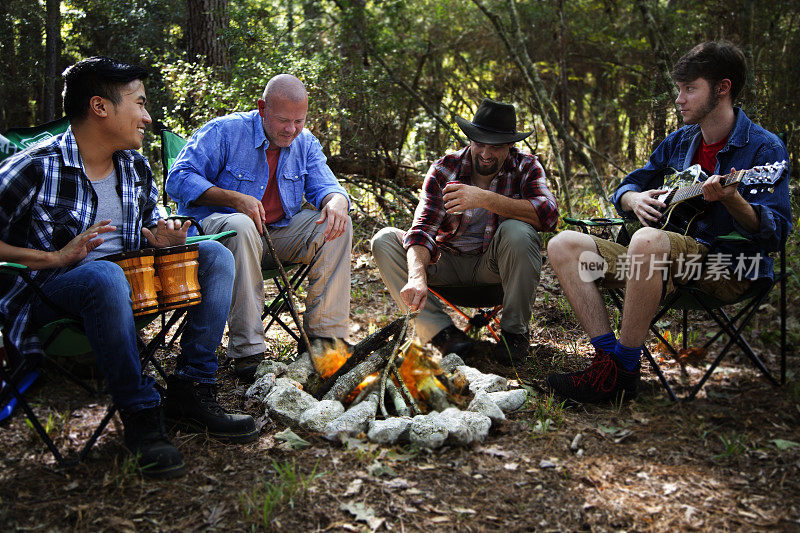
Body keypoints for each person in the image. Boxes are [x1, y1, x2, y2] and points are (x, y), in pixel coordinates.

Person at [0, 57, 257, 479]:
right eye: (139, 103)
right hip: (52, 294)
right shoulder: (35, 166)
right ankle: (140, 413)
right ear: (101, 107)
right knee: (103, 275)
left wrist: (166, 238)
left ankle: (192, 388)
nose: (147, 116)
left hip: (135, 286)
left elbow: (152, 226)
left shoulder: (135, 167)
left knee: (214, 256)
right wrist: (54, 258)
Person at [545, 41, 792, 403]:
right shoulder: (680, 141)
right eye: (679, 89)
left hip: (725, 268)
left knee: (645, 241)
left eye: (690, 89)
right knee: (563, 244)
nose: (679, 99)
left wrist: (733, 198)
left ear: (722, 89)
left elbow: (776, 234)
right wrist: (632, 198)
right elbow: (630, 184)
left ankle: (623, 371)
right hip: (654, 267)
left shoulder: (764, 150)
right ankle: (606, 365)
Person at [166, 74, 352, 382]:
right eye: (282, 120)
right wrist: (232, 198)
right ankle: (248, 351)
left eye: (299, 121)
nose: (291, 129)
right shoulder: (224, 132)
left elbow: (327, 186)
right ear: (262, 107)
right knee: (241, 224)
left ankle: (325, 345)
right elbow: (178, 179)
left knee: (337, 225)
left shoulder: (304, 143)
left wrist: (336, 202)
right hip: (221, 236)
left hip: (275, 234)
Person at [371, 99, 559, 365]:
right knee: (384, 240)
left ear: (510, 146)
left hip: (495, 270)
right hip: (446, 263)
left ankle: (514, 335)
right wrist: (416, 276)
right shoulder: (445, 168)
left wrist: (484, 198)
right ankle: (441, 333)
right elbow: (423, 229)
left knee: (518, 230)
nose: (485, 153)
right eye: (479, 143)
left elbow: (550, 216)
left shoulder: (525, 166)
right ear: (470, 140)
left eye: (495, 146)